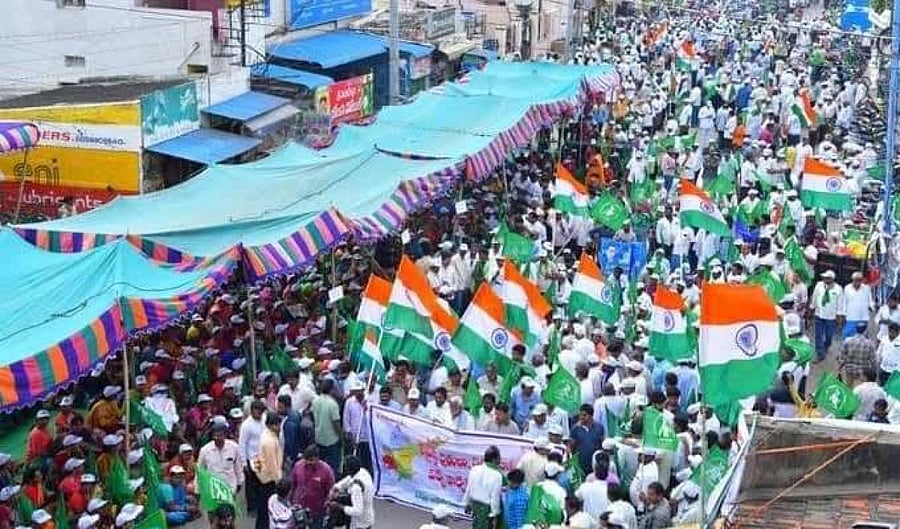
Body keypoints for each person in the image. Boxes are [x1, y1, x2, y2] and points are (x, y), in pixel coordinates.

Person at [197, 423, 243, 511]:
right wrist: (198, 490)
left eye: (220, 435)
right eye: (215, 435)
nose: (217, 438)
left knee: (229, 515)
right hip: (213, 489)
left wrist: (239, 482)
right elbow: (200, 470)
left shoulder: (234, 447)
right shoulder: (205, 450)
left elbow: (238, 467)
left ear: (225, 435)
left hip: (229, 487)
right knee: (214, 515)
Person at [290, 445, 335, 529]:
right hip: (299, 509)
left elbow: (331, 490)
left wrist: (328, 505)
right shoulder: (297, 466)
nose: (308, 463)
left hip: (317, 511)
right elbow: (292, 485)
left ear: (317, 458)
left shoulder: (326, 470)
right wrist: (289, 502)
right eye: (306, 460)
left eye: (311, 460)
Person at [253, 414, 284, 529]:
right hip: (269, 480)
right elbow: (272, 465)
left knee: (262, 510)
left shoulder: (265, 435)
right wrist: (279, 480)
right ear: (273, 425)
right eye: (278, 424)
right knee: (267, 510)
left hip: (263, 477)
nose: (280, 427)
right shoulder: (270, 441)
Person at [463, 446, 503, 529]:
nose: (500, 460)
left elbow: (469, 488)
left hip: (475, 505)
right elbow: (494, 496)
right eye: (499, 458)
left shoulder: (475, 469)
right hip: (486, 508)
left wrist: (466, 503)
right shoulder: (497, 475)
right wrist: (495, 513)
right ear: (494, 459)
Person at [330, 455, 374, 529]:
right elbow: (349, 479)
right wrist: (337, 487)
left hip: (359, 523)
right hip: (368, 517)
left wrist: (339, 506)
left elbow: (357, 511)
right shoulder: (363, 472)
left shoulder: (356, 488)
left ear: (348, 470)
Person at [239, 399, 266, 513]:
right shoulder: (246, 425)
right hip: (253, 458)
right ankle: (252, 507)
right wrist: (244, 463)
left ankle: (260, 504)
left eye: (260, 411)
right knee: (252, 484)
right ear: (252, 411)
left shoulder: (264, 420)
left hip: (263, 456)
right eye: (256, 410)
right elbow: (242, 443)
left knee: (261, 482)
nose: (259, 413)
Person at [810, 270, 843, 362]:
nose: (824, 279)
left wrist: (839, 316)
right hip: (819, 314)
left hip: (831, 317)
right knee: (818, 335)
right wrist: (811, 308)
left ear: (831, 279)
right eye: (824, 277)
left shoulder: (838, 289)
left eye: (827, 278)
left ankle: (825, 346)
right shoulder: (819, 285)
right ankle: (820, 354)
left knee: (829, 336)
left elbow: (840, 304)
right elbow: (814, 297)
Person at [312, 379, 342, 475]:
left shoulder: (316, 401)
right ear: (332, 389)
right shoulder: (333, 404)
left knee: (320, 466)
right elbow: (336, 423)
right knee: (332, 467)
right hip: (331, 440)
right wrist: (341, 437)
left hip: (319, 438)